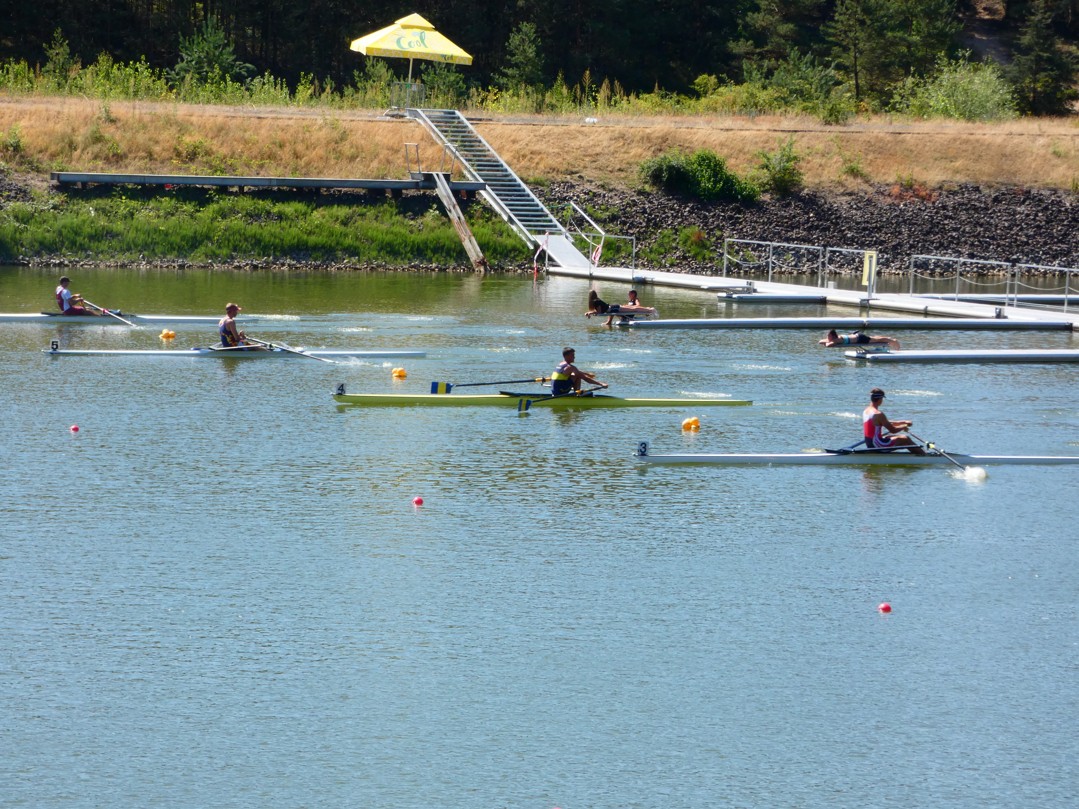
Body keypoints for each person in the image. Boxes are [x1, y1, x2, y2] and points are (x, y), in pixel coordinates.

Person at [862, 388, 924, 453]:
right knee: (905, 439)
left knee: (893, 437)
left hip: (870, 444)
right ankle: (923, 455)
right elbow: (893, 430)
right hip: (877, 445)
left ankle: (915, 455)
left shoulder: (866, 411)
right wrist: (904, 426)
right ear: (880, 399)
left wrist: (904, 422)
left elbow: (885, 422)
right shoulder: (878, 414)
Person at [585, 289, 657, 326]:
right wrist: (590, 312)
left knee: (633, 309)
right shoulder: (596, 301)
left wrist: (590, 313)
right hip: (612, 308)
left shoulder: (596, 301)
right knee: (632, 308)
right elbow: (600, 311)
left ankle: (650, 310)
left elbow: (599, 312)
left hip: (614, 308)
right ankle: (609, 323)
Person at [820, 329, 900, 350]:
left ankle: (892, 340)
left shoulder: (836, 340)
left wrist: (826, 342)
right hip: (857, 336)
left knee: (876, 340)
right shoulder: (836, 338)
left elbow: (828, 345)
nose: (827, 337)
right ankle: (889, 339)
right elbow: (820, 341)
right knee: (874, 338)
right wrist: (826, 341)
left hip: (860, 339)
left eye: (829, 336)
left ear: (833, 336)